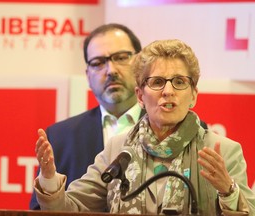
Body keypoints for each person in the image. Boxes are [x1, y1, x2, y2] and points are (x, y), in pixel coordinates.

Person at [33, 39, 255, 215]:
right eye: (157, 82)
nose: (168, 91)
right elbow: (69, 209)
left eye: (179, 82)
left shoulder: (221, 150)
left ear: (193, 95)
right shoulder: (118, 149)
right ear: (140, 95)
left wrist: (228, 191)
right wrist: (49, 178)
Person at [29, 23, 145, 209]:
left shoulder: (173, 129)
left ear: (141, 64)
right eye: (98, 63)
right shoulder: (60, 137)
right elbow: (40, 211)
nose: (111, 70)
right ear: (88, 75)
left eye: (121, 58)